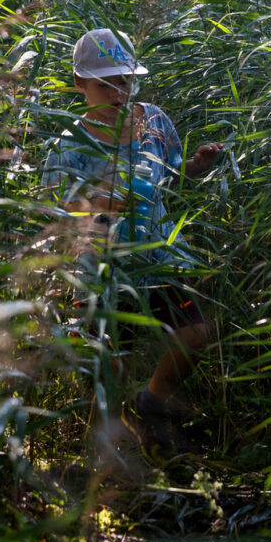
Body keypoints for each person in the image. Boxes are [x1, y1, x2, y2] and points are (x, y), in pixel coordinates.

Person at [41, 27, 224, 451]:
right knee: (112, 362)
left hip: (158, 254)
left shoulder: (154, 120)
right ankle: (106, 448)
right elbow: (56, 209)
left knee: (195, 334)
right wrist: (95, 204)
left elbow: (169, 172)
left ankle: (152, 403)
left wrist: (196, 166)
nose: (117, 93)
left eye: (124, 81)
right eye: (104, 84)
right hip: (105, 268)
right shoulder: (70, 144)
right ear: (80, 84)